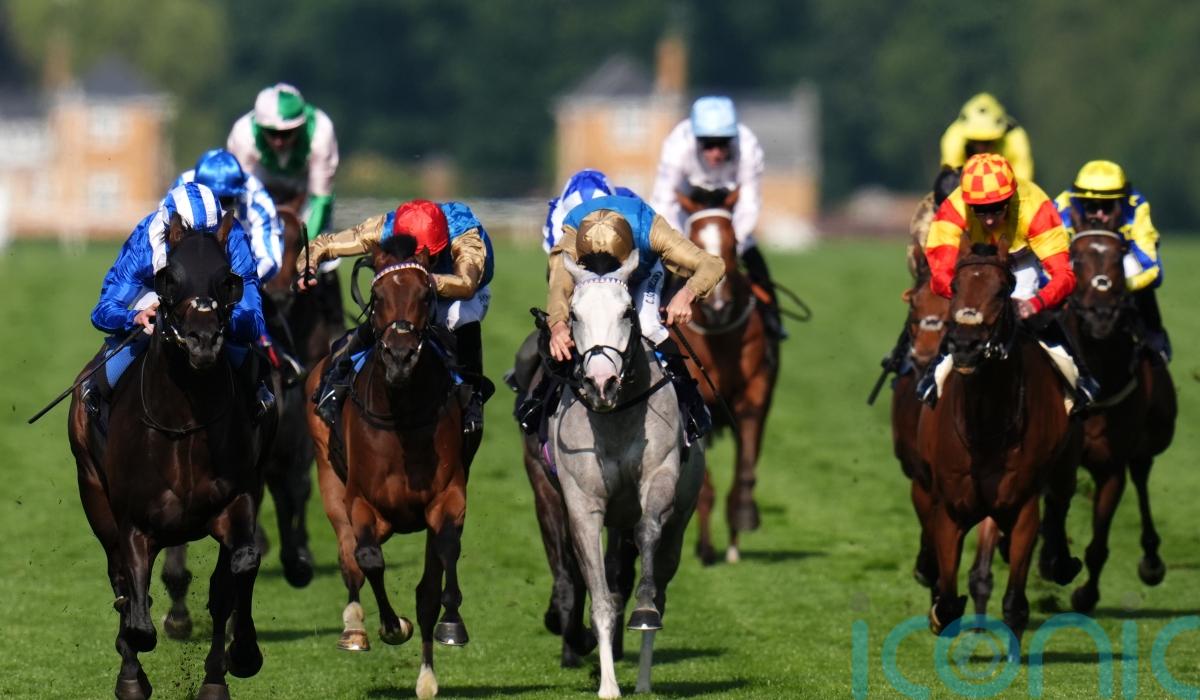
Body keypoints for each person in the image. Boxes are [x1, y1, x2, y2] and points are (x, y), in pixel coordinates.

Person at [534, 193, 725, 443]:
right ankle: (542, 398)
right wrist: (558, 326)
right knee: (571, 326)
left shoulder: (652, 230)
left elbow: (712, 264)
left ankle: (691, 405)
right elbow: (559, 286)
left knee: (648, 325)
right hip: (589, 278)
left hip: (642, 272)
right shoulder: (572, 235)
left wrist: (686, 294)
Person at [916, 153, 1099, 405]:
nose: (990, 219)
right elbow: (940, 273)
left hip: (1020, 259)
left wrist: (1036, 303)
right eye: (980, 210)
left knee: (1029, 313)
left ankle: (1080, 375)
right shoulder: (953, 208)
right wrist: (965, 299)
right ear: (967, 203)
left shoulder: (1036, 208)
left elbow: (1064, 275)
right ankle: (934, 373)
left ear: (1011, 198)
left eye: (997, 208)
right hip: (976, 258)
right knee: (964, 312)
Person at [297, 199, 493, 433]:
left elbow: (467, 284)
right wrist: (308, 266)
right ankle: (334, 380)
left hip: (462, 294)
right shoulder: (384, 227)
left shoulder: (464, 233)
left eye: (430, 257)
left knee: (460, 319)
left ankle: (472, 398)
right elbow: (323, 244)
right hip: (409, 287)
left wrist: (423, 279)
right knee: (385, 318)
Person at [81, 183, 271, 417]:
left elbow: (253, 318)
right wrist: (134, 317)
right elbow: (104, 310)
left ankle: (259, 398)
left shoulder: (233, 235)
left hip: (215, 303)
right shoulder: (144, 240)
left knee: (254, 368)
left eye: (207, 237)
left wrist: (221, 320)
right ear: (171, 229)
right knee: (145, 324)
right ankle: (95, 395)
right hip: (158, 298)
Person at [650, 96, 784, 339]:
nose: (717, 152)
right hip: (688, 211)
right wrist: (680, 246)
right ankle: (650, 324)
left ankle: (772, 320)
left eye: (723, 144)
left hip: (729, 215)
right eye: (709, 145)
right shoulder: (677, 145)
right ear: (696, 141)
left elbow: (750, 202)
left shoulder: (748, 146)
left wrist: (734, 241)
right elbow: (664, 201)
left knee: (757, 264)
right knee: (658, 270)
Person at [1054, 160, 1169, 362]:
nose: (1100, 215)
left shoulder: (1137, 207)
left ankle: (1153, 336)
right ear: (1079, 201)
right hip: (1078, 264)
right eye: (1091, 206)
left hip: (1119, 262)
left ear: (1121, 202)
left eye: (1107, 207)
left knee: (1133, 270)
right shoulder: (1061, 209)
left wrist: (1117, 285)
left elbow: (1152, 270)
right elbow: (1048, 264)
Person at [227, 83, 338, 240]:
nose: (278, 142)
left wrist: (308, 243)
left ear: (300, 126)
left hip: (304, 187)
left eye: (286, 133)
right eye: (271, 133)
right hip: (261, 184)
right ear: (260, 126)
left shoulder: (320, 131)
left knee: (321, 244)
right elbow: (243, 195)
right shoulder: (243, 134)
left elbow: (320, 198)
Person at [170, 148, 282, 283]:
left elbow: (269, 260)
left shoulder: (257, 198)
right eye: (210, 199)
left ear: (239, 195)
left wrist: (237, 280)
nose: (218, 209)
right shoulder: (179, 192)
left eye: (226, 201)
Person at [939, 93, 1034, 182]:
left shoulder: (1013, 137)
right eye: (976, 141)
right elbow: (951, 179)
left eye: (987, 142)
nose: (981, 148)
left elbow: (1023, 180)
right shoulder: (954, 140)